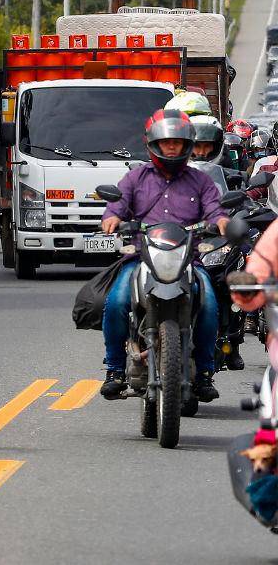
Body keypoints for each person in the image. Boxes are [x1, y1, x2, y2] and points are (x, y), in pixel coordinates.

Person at [99, 108, 228, 403]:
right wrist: (112, 219)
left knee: (209, 303)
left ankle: (205, 373)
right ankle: (115, 370)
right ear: (154, 144)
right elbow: (117, 206)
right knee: (116, 301)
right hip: (142, 258)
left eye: (178, 142)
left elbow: (215, 210)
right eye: (167, 142)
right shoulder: (135, 178)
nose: (172, 147)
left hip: (187, 261)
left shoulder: (201, 181)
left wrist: (221, 222)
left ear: (187, 146)